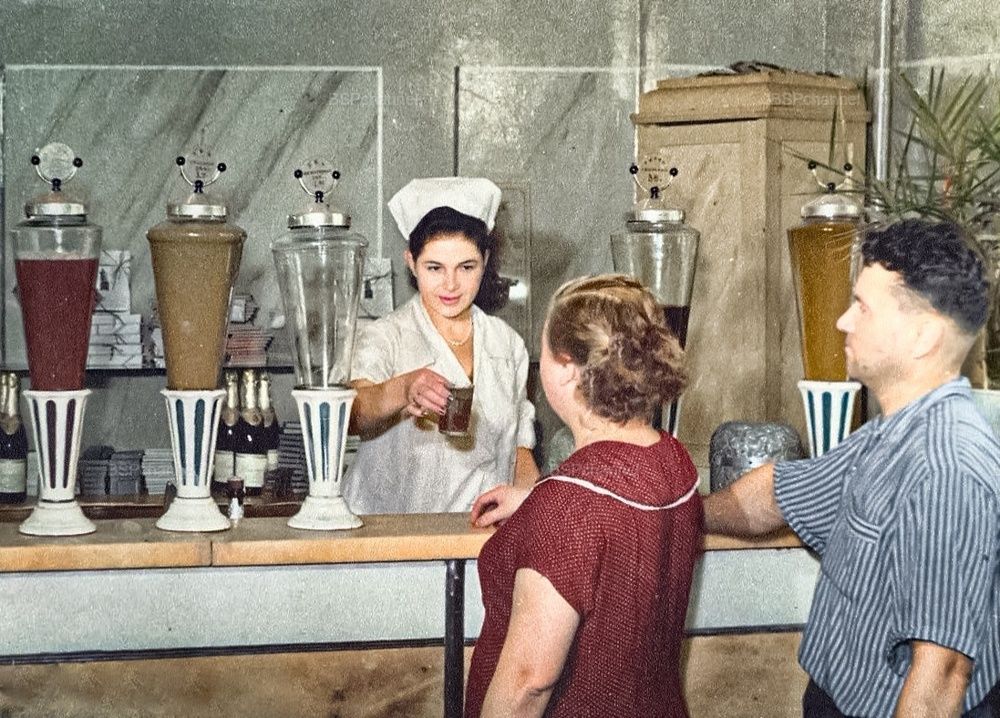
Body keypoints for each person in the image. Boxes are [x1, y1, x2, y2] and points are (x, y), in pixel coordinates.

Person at [705, 219, 1000, 717]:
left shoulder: (947, 469)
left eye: (862, 307)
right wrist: (674, 514)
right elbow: (776, 495)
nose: (843, 321)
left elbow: (942, 676)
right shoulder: (893, 432)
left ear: (924, 335)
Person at [465, 274, 702, 717]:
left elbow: (527, 684)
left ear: (568, 367)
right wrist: (540, 500)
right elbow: (619, 511)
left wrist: (552, 505)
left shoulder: (569, 506)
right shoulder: (674, 460)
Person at [342, 177, 539, 514]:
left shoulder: (507, 343)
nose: (451, 285)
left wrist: (529, 503)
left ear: (485, 260)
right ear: (411, 261)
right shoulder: (386, 335)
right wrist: (404, 389)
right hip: (388, 531)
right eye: (434, 268)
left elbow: (519, 450)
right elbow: (354, 413)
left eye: (466, 267)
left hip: (476, 531)